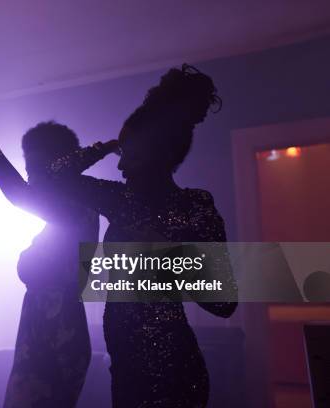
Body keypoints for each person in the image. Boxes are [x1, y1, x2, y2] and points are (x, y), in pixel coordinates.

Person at [46, 64, 238, 407]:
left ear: (159, 155)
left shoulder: (195, 205)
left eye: (129, 155)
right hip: (125, 370)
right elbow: (54, 177)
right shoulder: (118, 200)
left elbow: (225, 304)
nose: (119, 166)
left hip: (175, 373)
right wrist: (107, 145)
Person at [0, 73, 98, 407]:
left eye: (34, 163)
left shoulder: (76, 204)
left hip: (57, 342)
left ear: (60, 163)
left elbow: (18, 195)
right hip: (43, 338)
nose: (29, 173)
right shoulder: (69, 210)